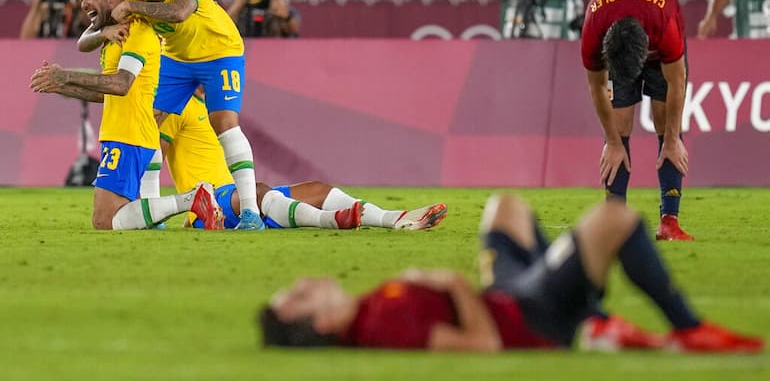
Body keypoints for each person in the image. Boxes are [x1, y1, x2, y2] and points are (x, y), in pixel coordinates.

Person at [260, 193, 764, 353]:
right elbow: (484, 346)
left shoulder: (368, 310)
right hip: (531, 316)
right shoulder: (380, 328)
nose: (306, 284)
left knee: (506, 206)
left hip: (506, 295)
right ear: (320, 324)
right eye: (299, 297)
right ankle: (689, 329)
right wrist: (452, 283)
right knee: (614, 218)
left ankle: (594, 320)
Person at [78, 0, 266, 231]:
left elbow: (178, 13)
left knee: (225, 124)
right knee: (151, 123)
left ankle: (251, 213)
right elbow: (83, 40)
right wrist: (103, 33)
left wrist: (132, 8)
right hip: (177, 60)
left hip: (221, 53)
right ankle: (155, 212)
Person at [28, 0, 221, 231]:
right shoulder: (113, 36)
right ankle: (188, 201)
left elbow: (121, 84)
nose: (83, 4)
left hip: (130, 133)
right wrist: (63, 85)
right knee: (113, 219)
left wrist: (66, 75)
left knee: (105, 219)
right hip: (125, 132)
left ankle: (192, 199)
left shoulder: (136, 31)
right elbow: (104, 92)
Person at [151, 91, 447, 232]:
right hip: (210, 206)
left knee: (318, 189)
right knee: (257, 191)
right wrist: (160, 219)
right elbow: (153, 163)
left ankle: (394, 219)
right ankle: (329, 221)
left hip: (239, 199)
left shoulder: (219, 108)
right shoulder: (176, 107)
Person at [582, 0, 692, 241]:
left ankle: (669, 222)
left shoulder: (665, 24)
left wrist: (672, 140)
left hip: (656, 33)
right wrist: (611, 141)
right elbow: (597, 87)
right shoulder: (593, 28)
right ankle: (613, 222)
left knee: (667, 125)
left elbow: (677, 83)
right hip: (619, 35)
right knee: (617, 130)